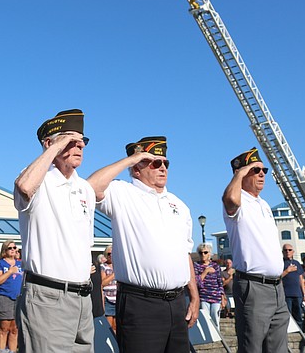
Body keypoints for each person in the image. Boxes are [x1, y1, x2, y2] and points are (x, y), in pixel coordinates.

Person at [88, 136, 199, 353]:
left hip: (177, 302)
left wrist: (194, 296)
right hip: (140, 303)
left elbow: (185, 254)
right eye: (155, 163)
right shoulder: (122, 193)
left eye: (165, 163)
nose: (162, 168)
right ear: (137, 168)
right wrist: (131, 159)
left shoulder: (179, 205)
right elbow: (91, 187)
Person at [14, 109, 95, 353]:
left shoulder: (85, 189)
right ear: (50, 143)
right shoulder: (38, 180)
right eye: (72, 141)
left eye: (83, 141)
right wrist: (53, 149)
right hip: (47, 297)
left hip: (83, 298)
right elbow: (25, 186)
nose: (80, 145)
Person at [222, 147, 290, 352]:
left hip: (276, 288)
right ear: (241, 173)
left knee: (278, 348)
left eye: (263, 170)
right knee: (252, 347)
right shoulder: (238, 201)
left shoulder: (264, 204)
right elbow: (230, 200)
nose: (261, 174)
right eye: (255, 170)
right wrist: (241, 172)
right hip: (254, 287)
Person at [0, 240, 23, 352]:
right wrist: (10, 272)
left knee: (14, 329)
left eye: (14, 248)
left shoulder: (20, 264)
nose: (13, 250)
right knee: (4, 328)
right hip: (5, 297)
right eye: (10, 248)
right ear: (5, 250)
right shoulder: (0, 263)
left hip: (18, 298)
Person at [195, 243, 224, 330]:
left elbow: (220, 282)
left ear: (209, 253)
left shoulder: (216, 266)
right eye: (201, 252)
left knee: (215, 316)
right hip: (203, 296)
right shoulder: (196, 266)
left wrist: (222, 297)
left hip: (216, 296)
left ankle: (217, 336)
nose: (203, 254)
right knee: (205, 317)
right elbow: (197, 282)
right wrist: (206, 271)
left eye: (205, 252)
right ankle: (208, 336)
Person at [281, 243, 305, 327]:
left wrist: (304, 294)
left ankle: (300, 334)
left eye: (289, 250)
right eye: (285, 250)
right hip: (286, 294)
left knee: (298, 316)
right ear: (282, 252)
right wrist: (287, 271)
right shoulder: (280, 263)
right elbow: (277, 277)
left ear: (293, 252)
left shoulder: (297, 263)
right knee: (287, 316)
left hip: (297, 294)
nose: (287, 252)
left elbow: (301, 279)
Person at [101, 245, 117, 333]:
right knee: (109, 327)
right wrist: (114, 274)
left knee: (117, 326)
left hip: (118, 299)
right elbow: (103, 283)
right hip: (108, 299)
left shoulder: (119, 265)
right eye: (109, 253)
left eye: (113, 253)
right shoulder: (103, 266)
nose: (111, 255)